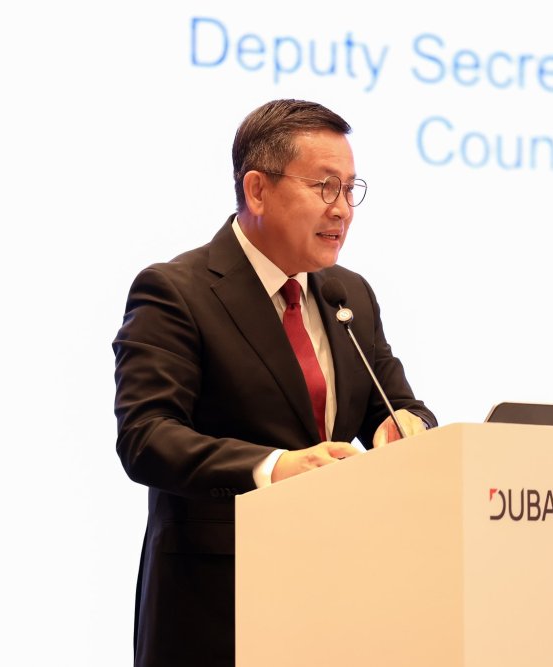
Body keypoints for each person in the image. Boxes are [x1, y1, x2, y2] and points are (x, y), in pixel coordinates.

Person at [114, 98, 436, 667]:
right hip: (218, 608)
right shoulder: (176, 291)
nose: (342, 210)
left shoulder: (348, 294)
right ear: (257, 190)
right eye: (325, 187)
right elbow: (148, 437)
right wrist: (274, 468)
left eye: (351, 190)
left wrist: (404, 427)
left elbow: (398, 406)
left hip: (337, 599)